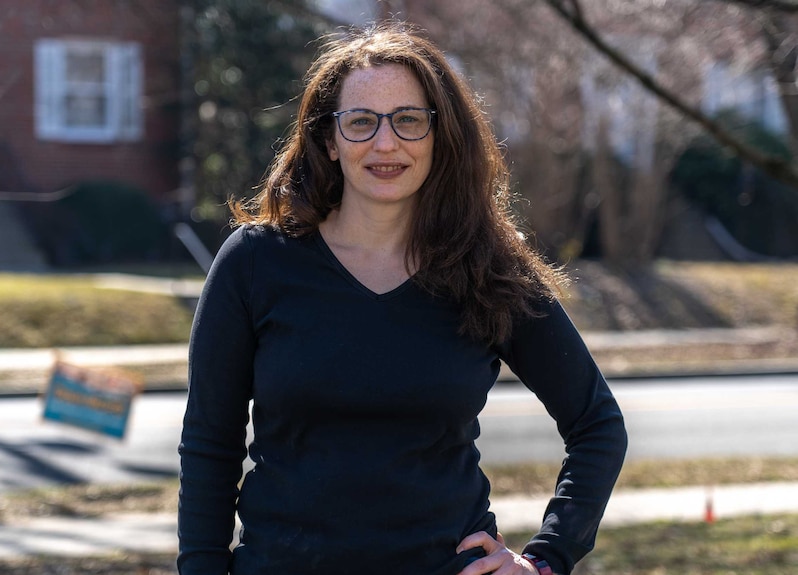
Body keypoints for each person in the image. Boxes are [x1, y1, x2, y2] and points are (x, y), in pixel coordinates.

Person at [178, 22, 627, 575]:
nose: (385, 144)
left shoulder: (487, 269)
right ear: (329, 139)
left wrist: (546, 560)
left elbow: (597, 424)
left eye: (409, 121)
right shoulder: (254, 263)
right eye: (361, 122)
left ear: (440, 137)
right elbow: (209, 445)